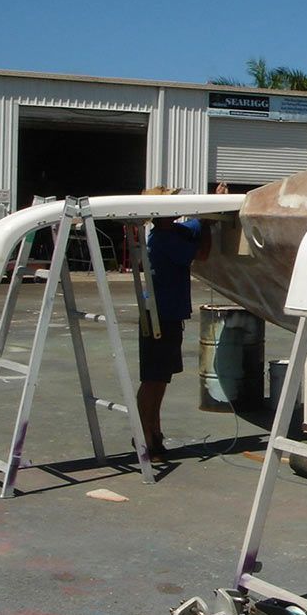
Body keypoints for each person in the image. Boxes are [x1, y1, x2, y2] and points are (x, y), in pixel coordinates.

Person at [135, 183, 226, 461]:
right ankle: (145, 437)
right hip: (159, 318)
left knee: (161, 378)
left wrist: (214, 205)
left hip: (168, 316)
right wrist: (210, 226)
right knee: (153, 379)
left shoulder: (172, 231)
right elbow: (202, 253)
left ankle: (154, 432)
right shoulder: (164, 239)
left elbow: (196, 226)